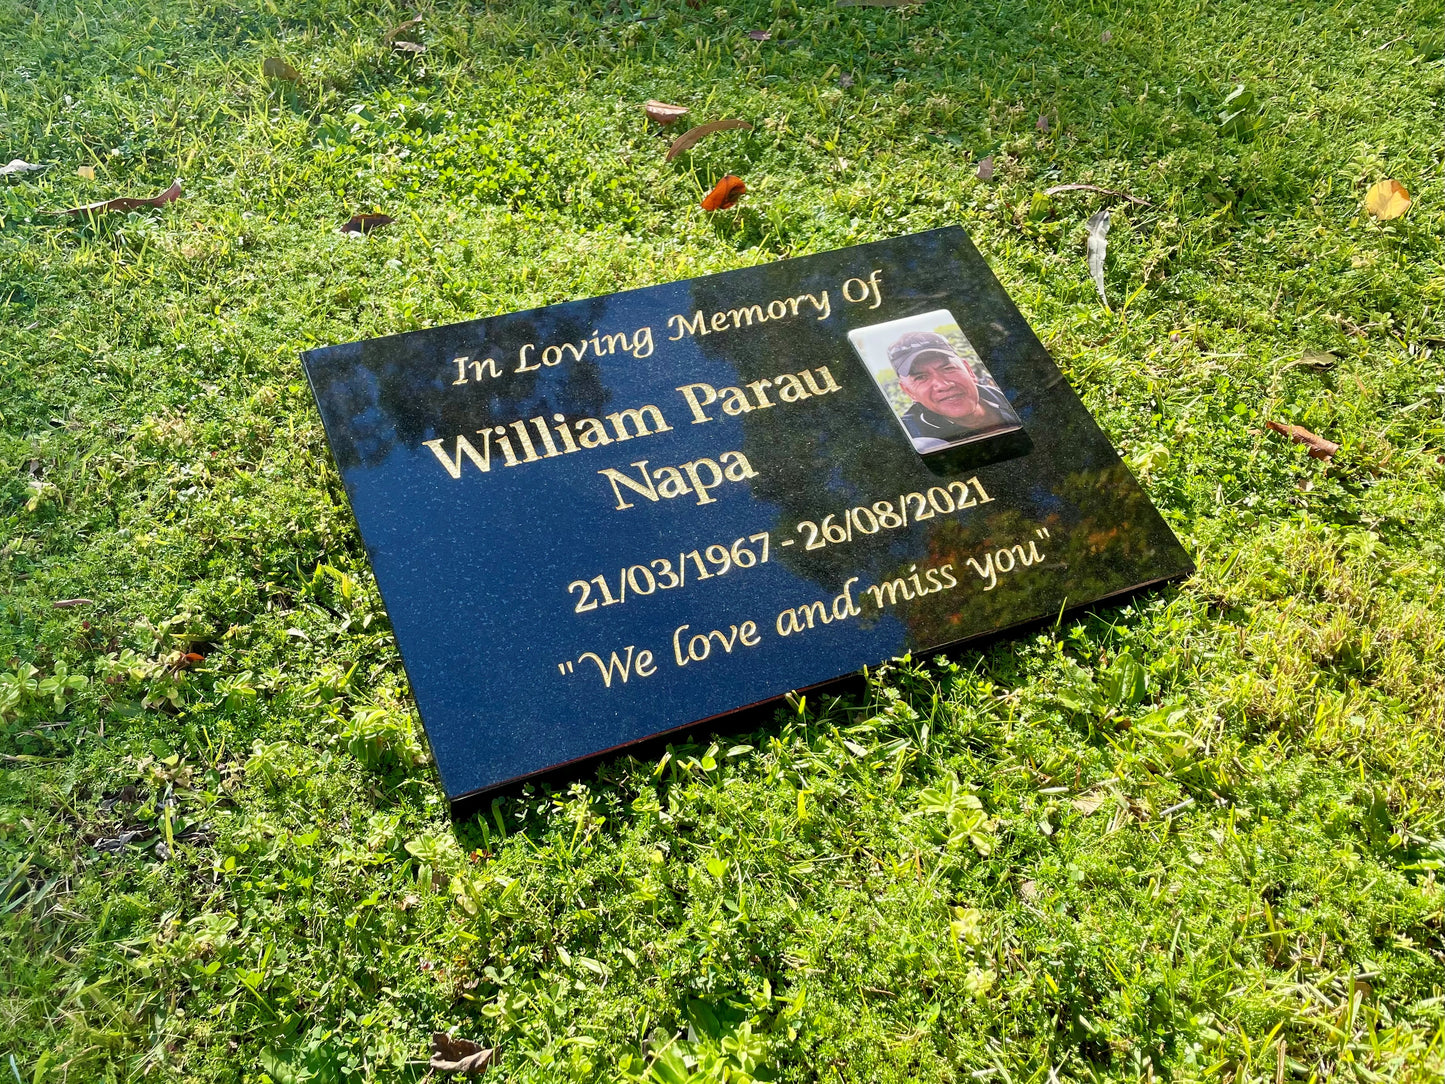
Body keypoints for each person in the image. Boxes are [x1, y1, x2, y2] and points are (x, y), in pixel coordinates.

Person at [887, 330, 1019, 452]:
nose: (943, 385)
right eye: (921, 377)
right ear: (908, 391)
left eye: (948, 369)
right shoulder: (911, 438)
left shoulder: (1010, 395)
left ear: (969, 370)